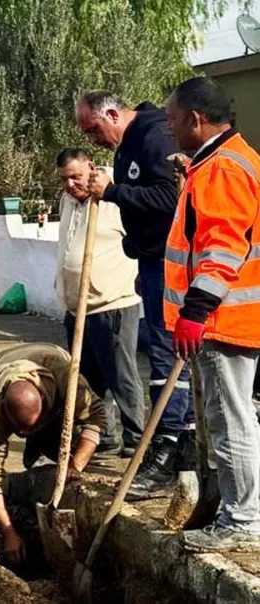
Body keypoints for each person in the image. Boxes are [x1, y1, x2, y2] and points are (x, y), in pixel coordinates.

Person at [75, 90, 195, 500]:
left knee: (165, 360)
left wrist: (111, 192)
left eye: (93, 129)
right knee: (165, 357)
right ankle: (181, 446)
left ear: (112, 113)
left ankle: (168, 445)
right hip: (153, 264)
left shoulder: (154, 136)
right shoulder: (129, 144)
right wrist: (139, 253)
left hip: (172, 265)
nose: (92, 139)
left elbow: (168, 198)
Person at [162, 76, 260, 552]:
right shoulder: (222, 162)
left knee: (231, 420)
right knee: (226, 419)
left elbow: (221, 249)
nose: (169, 127)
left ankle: (242, 521)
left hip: (223, 319)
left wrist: (195, 312)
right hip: (226, 317)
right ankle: (231, 509)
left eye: (173, 119)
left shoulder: (223, 168)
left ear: (197, 120)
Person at [0, 343, 107, 564]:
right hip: (2, 363)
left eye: (30, 428)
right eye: (19, 430)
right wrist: (8, 532)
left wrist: (76, 465)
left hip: (50, 359)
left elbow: (97, 418)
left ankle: (36, 501)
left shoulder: (67, 378)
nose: (23, 435)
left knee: (65, 448)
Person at [54, 149, 144, 458]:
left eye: (75, 177)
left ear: (91, 168)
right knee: (88, 381)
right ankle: (103, 435)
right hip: (76, 307)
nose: (69, 184)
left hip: (112, 304)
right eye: (64, 179)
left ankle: (136, 439)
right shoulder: (67, 200)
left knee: (121, 376)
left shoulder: (113, 195)